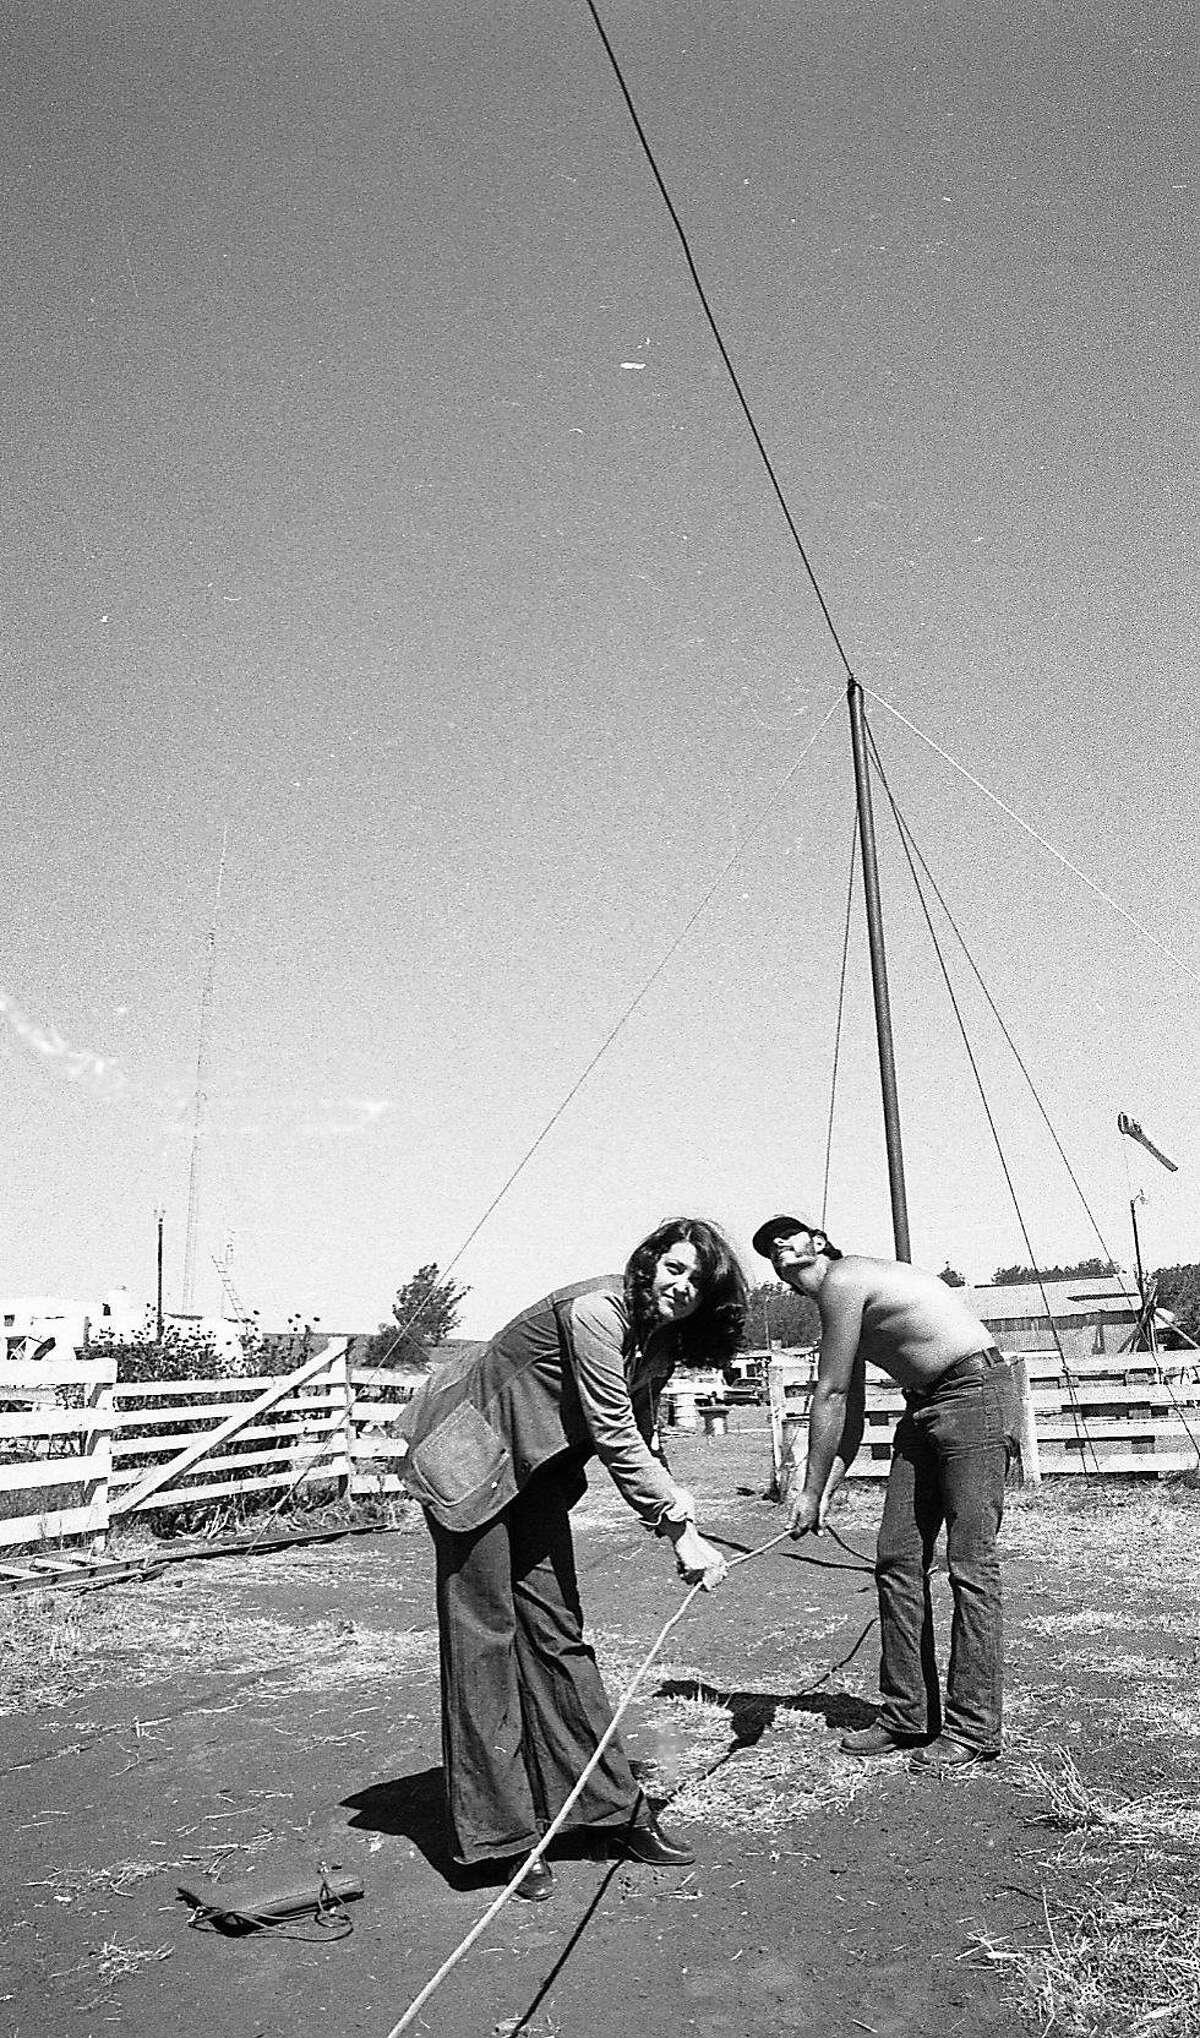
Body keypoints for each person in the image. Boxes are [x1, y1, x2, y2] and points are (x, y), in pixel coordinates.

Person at [401, 1217, 747, 1900]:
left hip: (533, 1474)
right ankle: (500, 1840)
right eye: (674, 1268)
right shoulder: (597, 1313)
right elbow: (612, 1429)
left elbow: (643, 1434)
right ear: (649, 1263)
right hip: (468, 1459)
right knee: (487, 1643)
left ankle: (607, 1809)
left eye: (697, 1282)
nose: (681, 1286)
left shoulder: (658, 1340)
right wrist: (678, 1530)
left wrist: (675, 1508)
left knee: (558, 1634)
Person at [752, 1213, 1019, 1772]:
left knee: (969, 1565)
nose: (779, 1246)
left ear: (818, 1242)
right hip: (923, 1407)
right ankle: (907, 1715)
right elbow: (845, 1409)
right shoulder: (836, 1303)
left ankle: (973, 1729)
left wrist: (805, 1491)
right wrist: (824, 1490)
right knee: (897, 1557)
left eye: (789, 1237)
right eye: (769, 1248)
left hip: (973, 1394)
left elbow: (829, 1392)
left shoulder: (845, 1278)